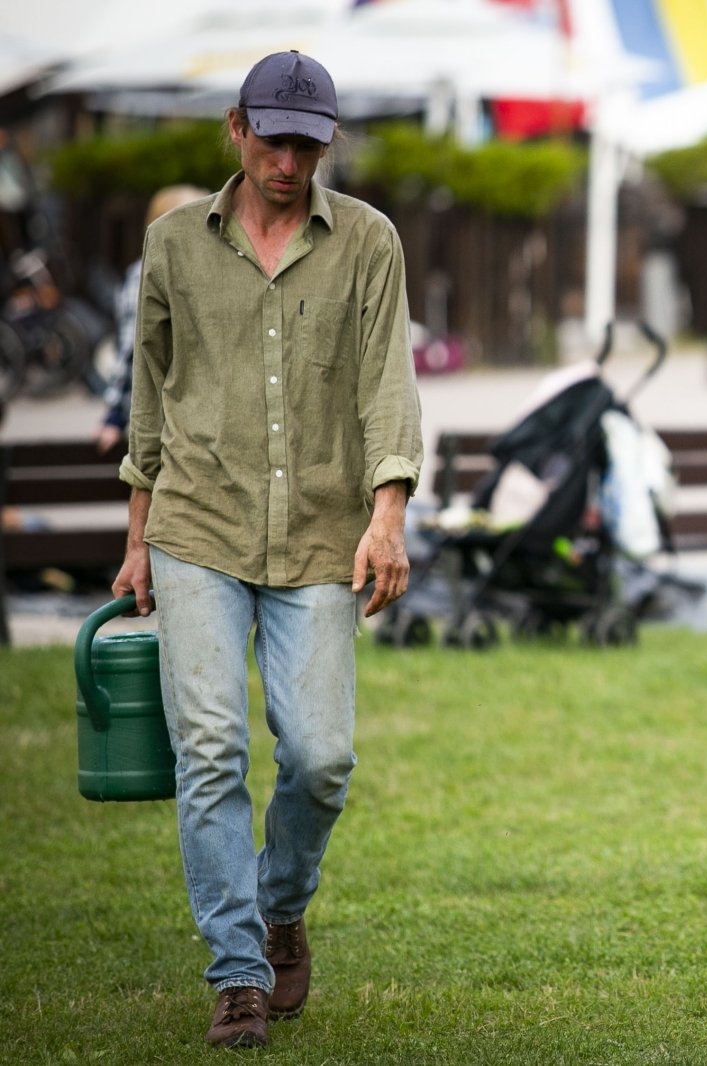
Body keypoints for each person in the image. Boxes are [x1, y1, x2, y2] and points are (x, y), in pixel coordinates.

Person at [111, 51, 422, 1049]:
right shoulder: (173, 244)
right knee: (211, 751)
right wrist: (136, 538)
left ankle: (282, 902)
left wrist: (389, 511)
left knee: (322, 757)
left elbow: (388, 386)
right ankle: (238, 971)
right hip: (196, 522)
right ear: (237, 130)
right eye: (274, 137)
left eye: (308, 142)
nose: (290, 160)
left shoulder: (369, 241)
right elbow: (148, 395)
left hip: (325, 527)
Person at [95, 184, 211, 455]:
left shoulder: (206, 270)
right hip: (164, 416)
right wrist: (115, 416)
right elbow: (132, 349)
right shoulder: (146, 274)